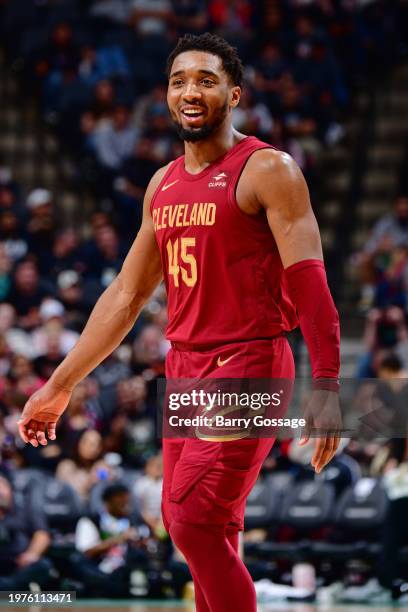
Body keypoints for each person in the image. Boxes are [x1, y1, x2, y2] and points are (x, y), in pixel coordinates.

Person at [18, 33, 341, 611]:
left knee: (188, 522)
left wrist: (328, 387)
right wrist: (59, 384)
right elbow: (125, 294)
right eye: (178, 81)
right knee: (214, 532)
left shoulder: (268, 168)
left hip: (249, 361)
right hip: (184, 370)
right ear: (166, 96)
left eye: (206, 80)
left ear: (234, 94)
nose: (190, 90)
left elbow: (311, 287)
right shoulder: (162, 184)